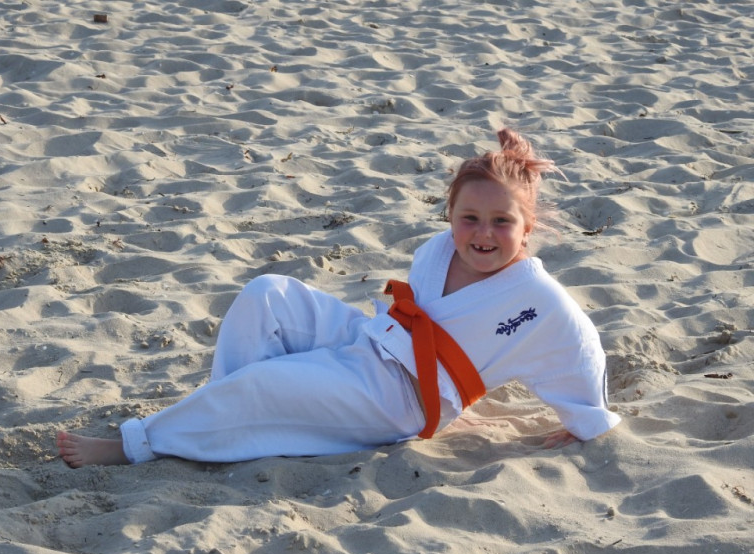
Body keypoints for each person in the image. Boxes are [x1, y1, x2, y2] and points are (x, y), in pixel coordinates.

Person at [57, 128, 621, 468]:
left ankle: (140, 445)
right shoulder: (437, 251)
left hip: (402, 398)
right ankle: (234, 426)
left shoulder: (537, 298)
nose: (483, 234)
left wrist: (585, 420)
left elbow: (579, 347)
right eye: (469, 217)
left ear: (528, 228)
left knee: (266, 383)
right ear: (450, 214)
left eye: (502, 222)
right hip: (371, 343)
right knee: (267, 295)